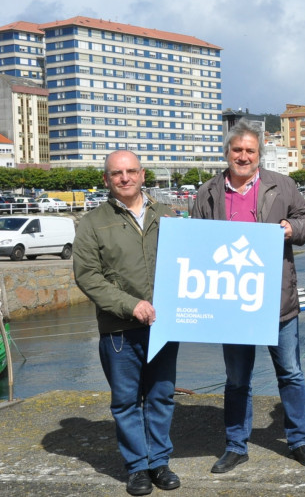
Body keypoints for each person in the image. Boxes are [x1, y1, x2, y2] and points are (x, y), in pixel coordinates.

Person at [191, 119, 305, 473]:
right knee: (236, 380)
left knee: (291, 374)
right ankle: (236, 445)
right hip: (230, 303)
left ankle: (299, 441)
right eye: (237, 150)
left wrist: (292, 228)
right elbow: (195, 245)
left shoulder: (282, 185)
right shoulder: (208, 192)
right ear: (228, 153)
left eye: (250, 150)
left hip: (277, 301)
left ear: (259, 154)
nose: (243, 156)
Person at [73, 150, 182, 496]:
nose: (125, 178)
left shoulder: (167, 215)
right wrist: (130, 305)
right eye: (117, 173)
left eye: (131, 171)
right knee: (125, 401)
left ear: (142, 174)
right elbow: (87, 277)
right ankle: (137, 466)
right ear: (106, 179)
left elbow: (191, 260)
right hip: (120, 329)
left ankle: (160, 462)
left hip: (163, 326)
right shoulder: (92, 223)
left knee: (162, 396)